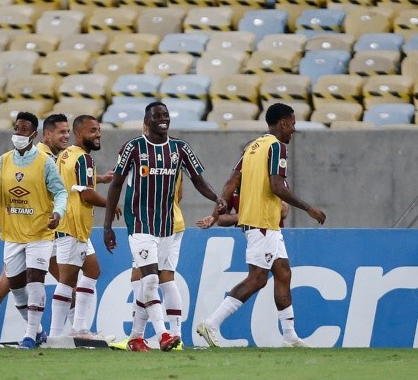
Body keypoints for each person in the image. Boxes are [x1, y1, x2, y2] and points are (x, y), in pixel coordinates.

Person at [195, 102, 326, 348]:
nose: (294, 130)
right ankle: (211, 323)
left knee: (283, 272)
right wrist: (308, 208)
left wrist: (215, 213)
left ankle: (290, 336)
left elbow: (231, 182)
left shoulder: (253, 146)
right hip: (263, 222)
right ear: (282, 123)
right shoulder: (276, 147)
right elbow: (277, 186)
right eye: (293, 124)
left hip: (264, 224)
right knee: (257, 279)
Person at [103, 102, 226, 352]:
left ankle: (136, 338)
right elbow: (115, 184)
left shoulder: (180, 148)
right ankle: (164, 335)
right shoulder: (133, 147)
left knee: (151, 282)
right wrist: (107, 226)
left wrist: (216, 198)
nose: (163, 119)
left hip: (167, 225)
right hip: (139, 223)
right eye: (157, 116)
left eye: (166, 115)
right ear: (146, 121)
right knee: (149, 280)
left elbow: (197, 179)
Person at [0, 113, 70, 346]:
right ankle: (39, 330)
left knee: (35, 280)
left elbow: (61, 192)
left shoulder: (45, 162)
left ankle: (30, 336)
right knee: (16, 287)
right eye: (16, 128)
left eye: (24, 129)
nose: (18, 133)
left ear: (33, 134)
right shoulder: (2, 161)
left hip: (39, 233)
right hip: (12, 234)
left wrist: (58, 213)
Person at [49, 115, 121, 338]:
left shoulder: (65, 154)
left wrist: (98, 179)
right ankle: (55, 334)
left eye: (99, 130)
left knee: (92, 270)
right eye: (92, 131)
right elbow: (87, 195)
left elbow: (73, 183)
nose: (98, 134)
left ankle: (79, 328)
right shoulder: (85, 160)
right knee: (67, 281)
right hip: (73, 225)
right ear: (79, 133)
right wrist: (112, 204)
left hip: (70, 225)